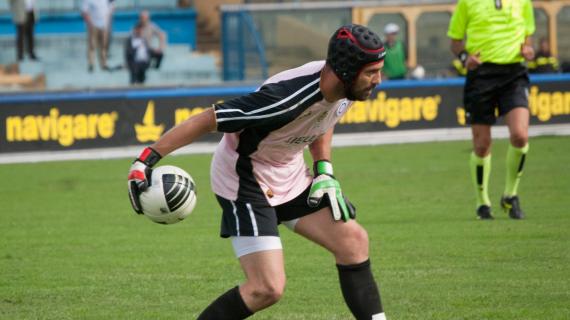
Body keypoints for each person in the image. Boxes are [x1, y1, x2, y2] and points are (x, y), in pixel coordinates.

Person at [128, 24, 388, 320]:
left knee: (353, 241)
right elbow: (208, 119)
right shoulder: (283, 99)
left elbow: (323, 121)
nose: (378, 79)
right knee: (266, 288)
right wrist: (145, 160)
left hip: (288, 174)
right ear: (346, 70)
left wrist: (323, 169)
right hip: (245, 180)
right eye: (371, 72)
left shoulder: (344, 88)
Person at [447, 0, 535, 220]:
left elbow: (527, 34)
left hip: (514, 74)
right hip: (481, 76)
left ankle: (510, 195)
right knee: (482, 145)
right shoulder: (467, 2)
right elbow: (455, 41)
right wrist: (466, 58)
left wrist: (528, 49)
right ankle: (482, 202)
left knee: (520, 135)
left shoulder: (523, 2)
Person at [81, 0, 112, 72]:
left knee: (104, 45)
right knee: (92, 45)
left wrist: (107, 20)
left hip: (104, 25)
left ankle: (103, 64)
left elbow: (111, 7)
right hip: (93, 25)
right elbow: (84, 12)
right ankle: (91, 64)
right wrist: (90, 23)